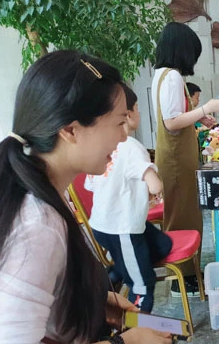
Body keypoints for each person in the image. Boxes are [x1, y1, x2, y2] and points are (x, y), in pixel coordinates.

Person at [0, 51, 171, 344]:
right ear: (70, 130)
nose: (124, 137)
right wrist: (127, 341)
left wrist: (92, 302)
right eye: (118, 123)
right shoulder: (36, 227)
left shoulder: (42, 193)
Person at [151, 22, 219, 295]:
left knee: (182, 212)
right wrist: (205, 108)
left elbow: (175, 117)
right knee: (183, 215)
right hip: (176, 158)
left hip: (174, 155)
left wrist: (198, 118)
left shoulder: (161, 74)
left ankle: (188, 271)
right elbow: (171, 122)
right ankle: (182, 277)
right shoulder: (172, 76)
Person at [86, 85, 172, 313]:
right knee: (143, 284)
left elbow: (91, 185)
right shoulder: (132, 147)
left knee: (163, 244)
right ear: (129, 114)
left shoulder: (102, 146)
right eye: (137, 108)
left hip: (104, 224)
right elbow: (155, 185)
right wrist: (155, 189)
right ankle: (136, 325)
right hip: (122, 228)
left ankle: (117, 272)